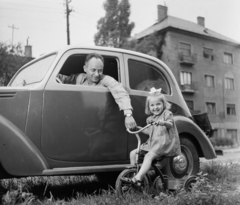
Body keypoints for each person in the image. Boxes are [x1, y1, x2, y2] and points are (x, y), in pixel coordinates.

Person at [58, 53, 136, 130]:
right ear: (85, 68)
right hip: (81, 119)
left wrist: (128, 115)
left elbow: (120, 91)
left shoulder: (105, 79)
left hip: (98, 121)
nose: (97, 74)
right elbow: (63, 79)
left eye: (100, 71)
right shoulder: (80, 77)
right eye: (93, 70)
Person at [121, 87, 181, 186]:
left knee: (148, 156)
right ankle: (134, 175)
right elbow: (150, 131)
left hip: (162, 144)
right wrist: (138, 128)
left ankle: (139, 177)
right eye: (152, 105)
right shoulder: (151, 119)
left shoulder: (167, 114)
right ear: (149, 107)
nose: (155, 107)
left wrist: (163, 123)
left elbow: (170, 124)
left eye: (158, 104)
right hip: (152, 144)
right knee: (133, 153)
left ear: (163, 104)